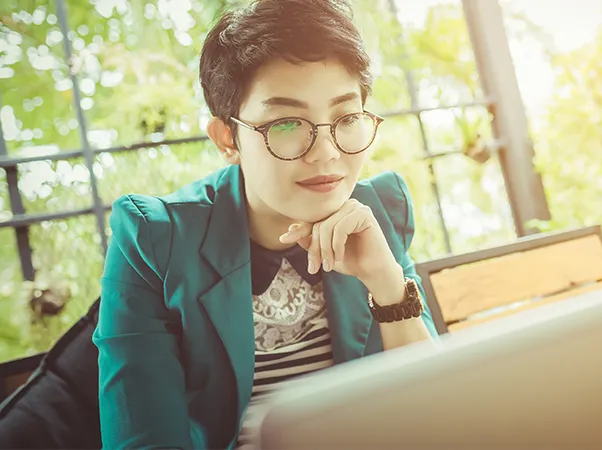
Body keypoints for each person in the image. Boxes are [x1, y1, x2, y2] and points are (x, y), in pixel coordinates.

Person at [92, 0, 438, 448]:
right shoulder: (154, 240)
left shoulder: (376, 209)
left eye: (346, 117)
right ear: (227, 139)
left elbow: (436, 414)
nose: (327, 153)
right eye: (287, 123)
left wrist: (388, 286)